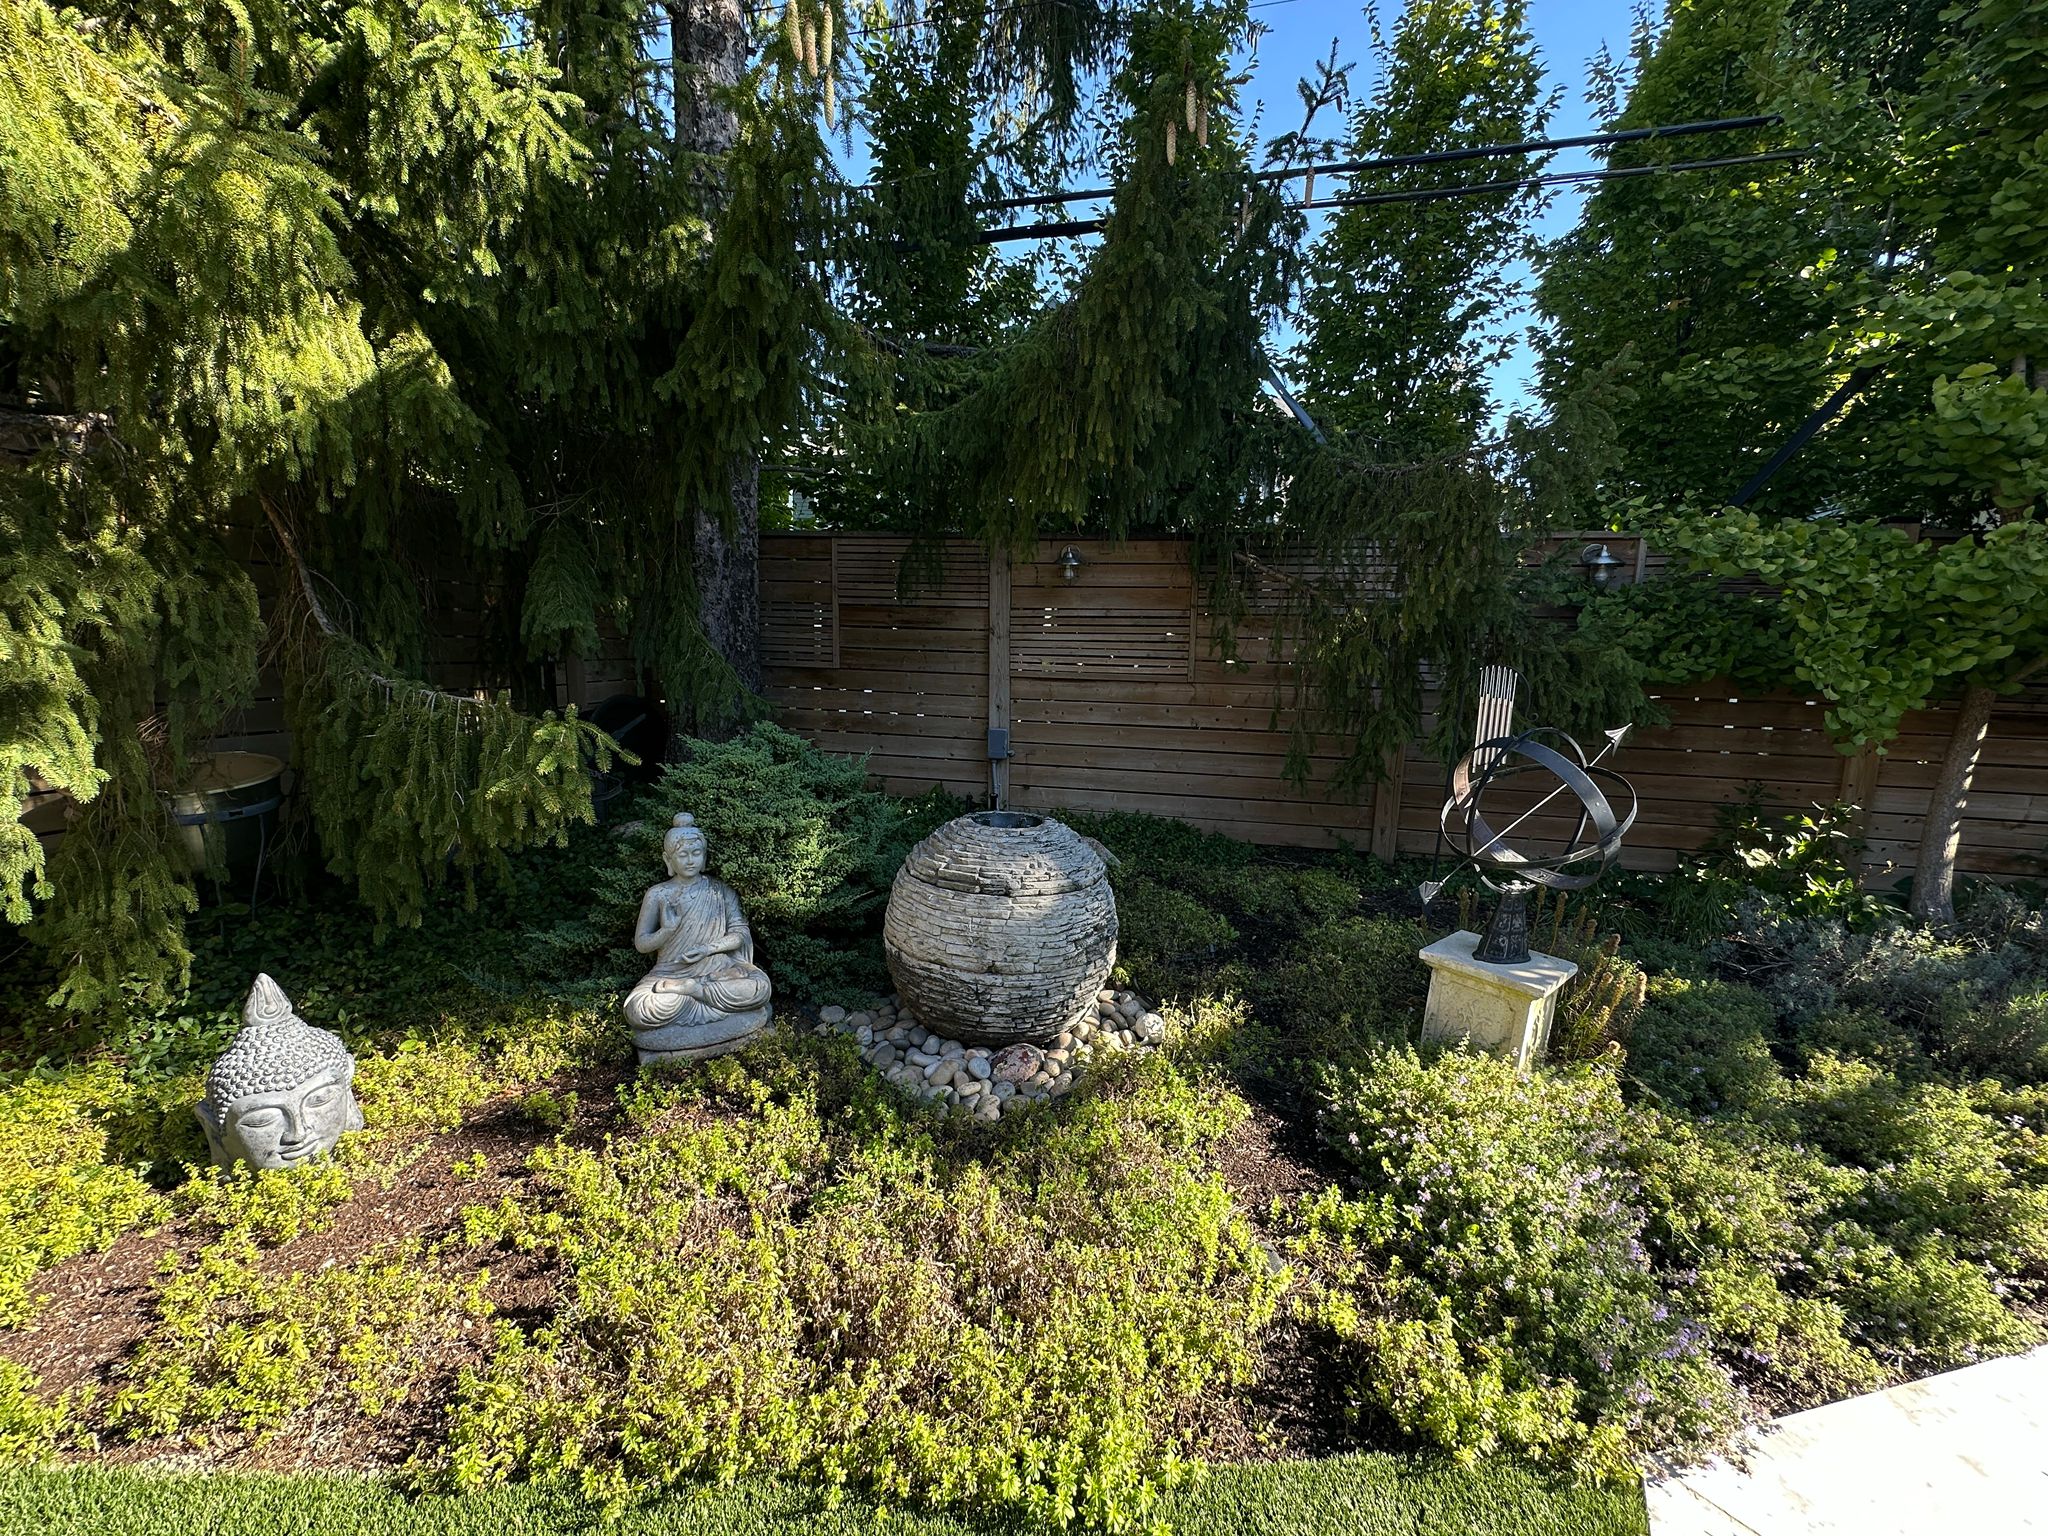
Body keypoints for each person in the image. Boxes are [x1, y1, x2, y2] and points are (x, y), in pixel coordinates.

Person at [623, 813, 774, 1062]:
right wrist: (667, 931)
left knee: (760, 988)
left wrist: (708, 949)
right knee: (639, 1010)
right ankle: (697, 995)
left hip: (719, 971)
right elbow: (642, 944)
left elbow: (739, 933)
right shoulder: (658, 894)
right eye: (683, 855)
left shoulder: (720, 890)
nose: (690, 860)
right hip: (671, 974)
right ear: (668, 859)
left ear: (704, 857)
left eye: (696, 854)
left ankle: (695, 990)